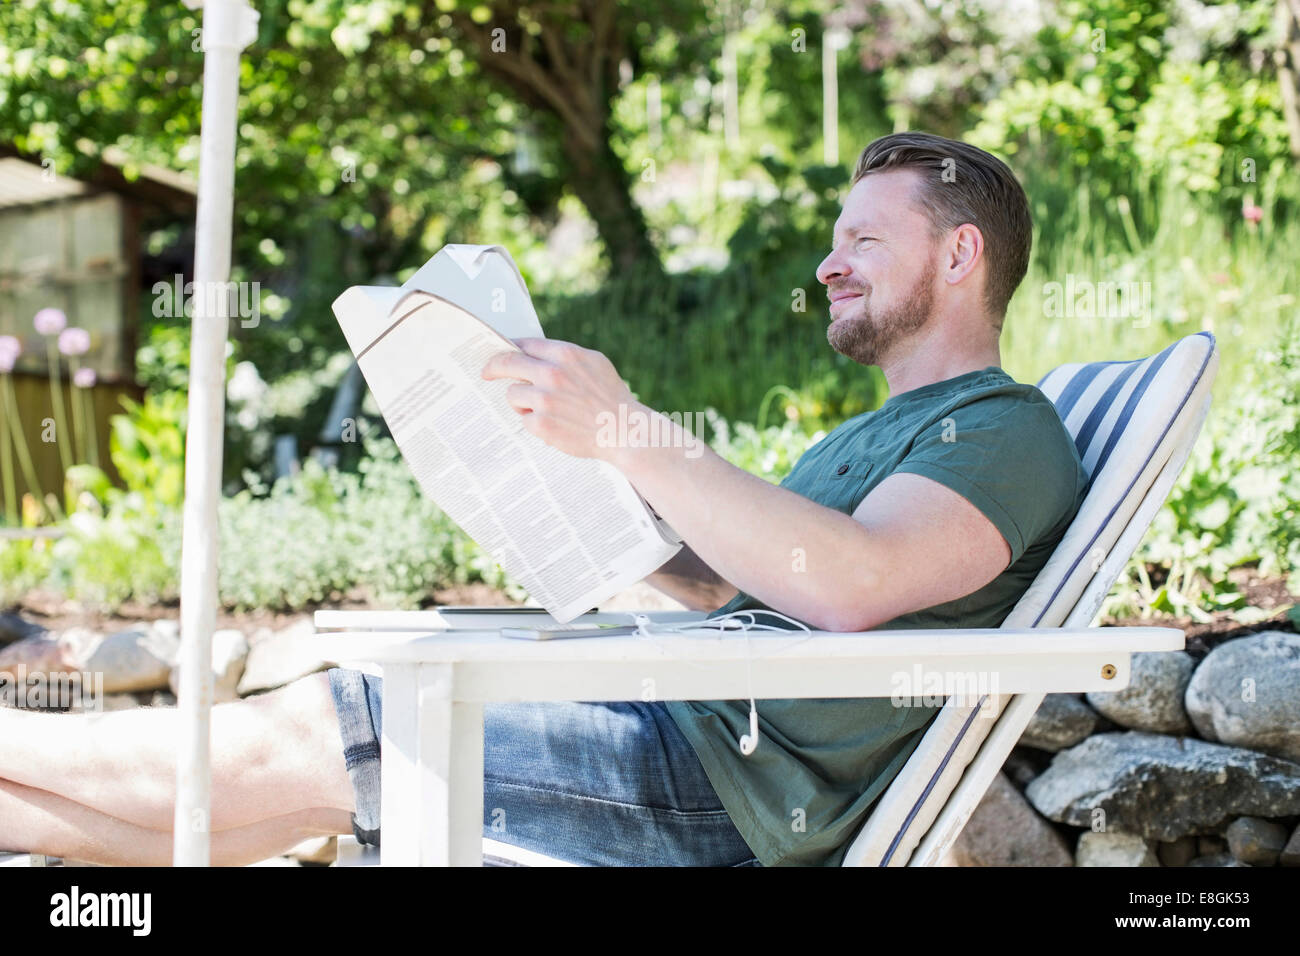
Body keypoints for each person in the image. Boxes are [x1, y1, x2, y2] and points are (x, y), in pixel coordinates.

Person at [0, 132, 1087, 867]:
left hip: (727, 783)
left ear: (960, 253)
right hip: (680, 721)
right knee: (286, 779)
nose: (829, 261)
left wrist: (624, 426)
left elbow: (852, 586)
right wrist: (569, 501)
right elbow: (736, 588)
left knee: (334, 728)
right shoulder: (866, 437)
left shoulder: (1005, 431)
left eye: (863, 239)